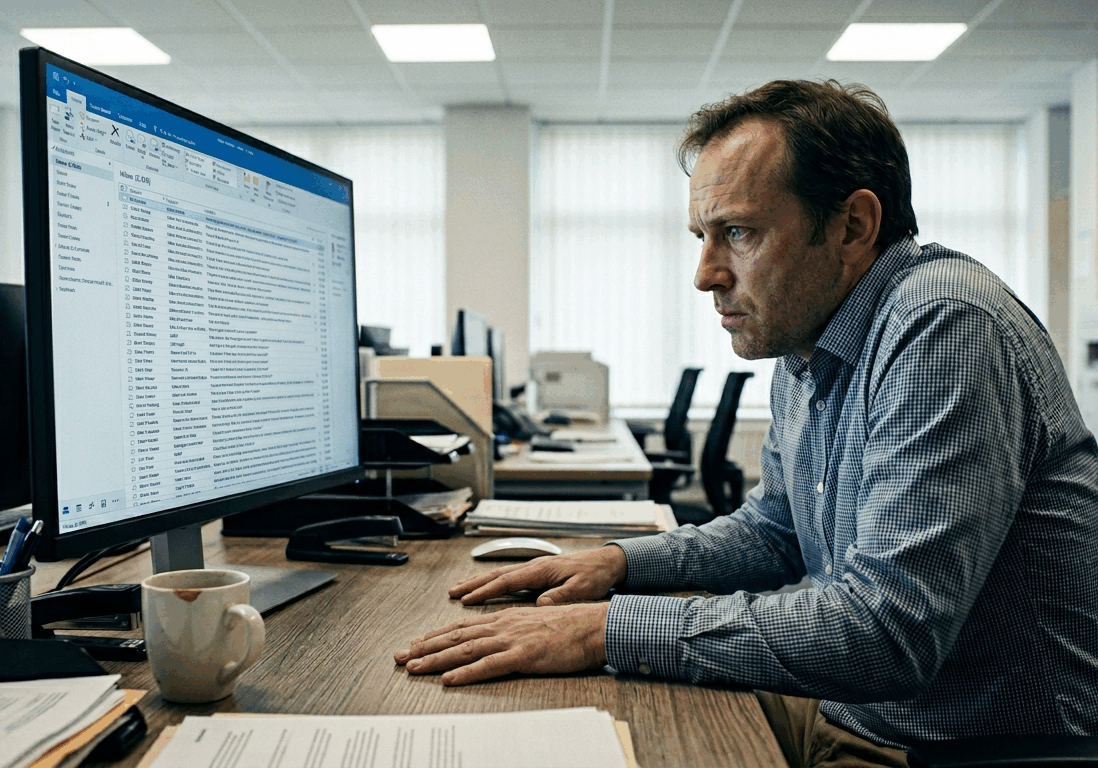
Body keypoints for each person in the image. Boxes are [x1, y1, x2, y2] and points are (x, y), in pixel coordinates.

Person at [394, 80, 1098, 767]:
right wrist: (620, 564)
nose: (704, 275)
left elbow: (889, 633)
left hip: (976, 746)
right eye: (703, 236)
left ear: (853, 226)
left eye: (738, 232)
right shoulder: (809, 341)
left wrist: (606, 629)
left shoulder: (943, 326)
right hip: (858, 716)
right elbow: (777, 529)